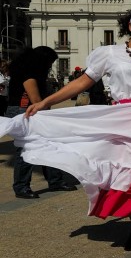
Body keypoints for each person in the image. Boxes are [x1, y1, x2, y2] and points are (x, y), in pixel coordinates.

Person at [23, 7, 131, 251]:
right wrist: (46, 102)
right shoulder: (110, 54)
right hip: (125, 122)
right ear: (130, 26)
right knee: (129, 177)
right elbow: (82, 82)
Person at [4, 46, 77, 199]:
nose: (50, 66)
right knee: (27, 148)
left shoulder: (26, 69)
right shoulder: (29, 72)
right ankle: (22, 186)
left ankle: (54, 180)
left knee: (48, 145)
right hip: (25, 111)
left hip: (25, 110)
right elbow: (36, 100)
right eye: (50, 62)